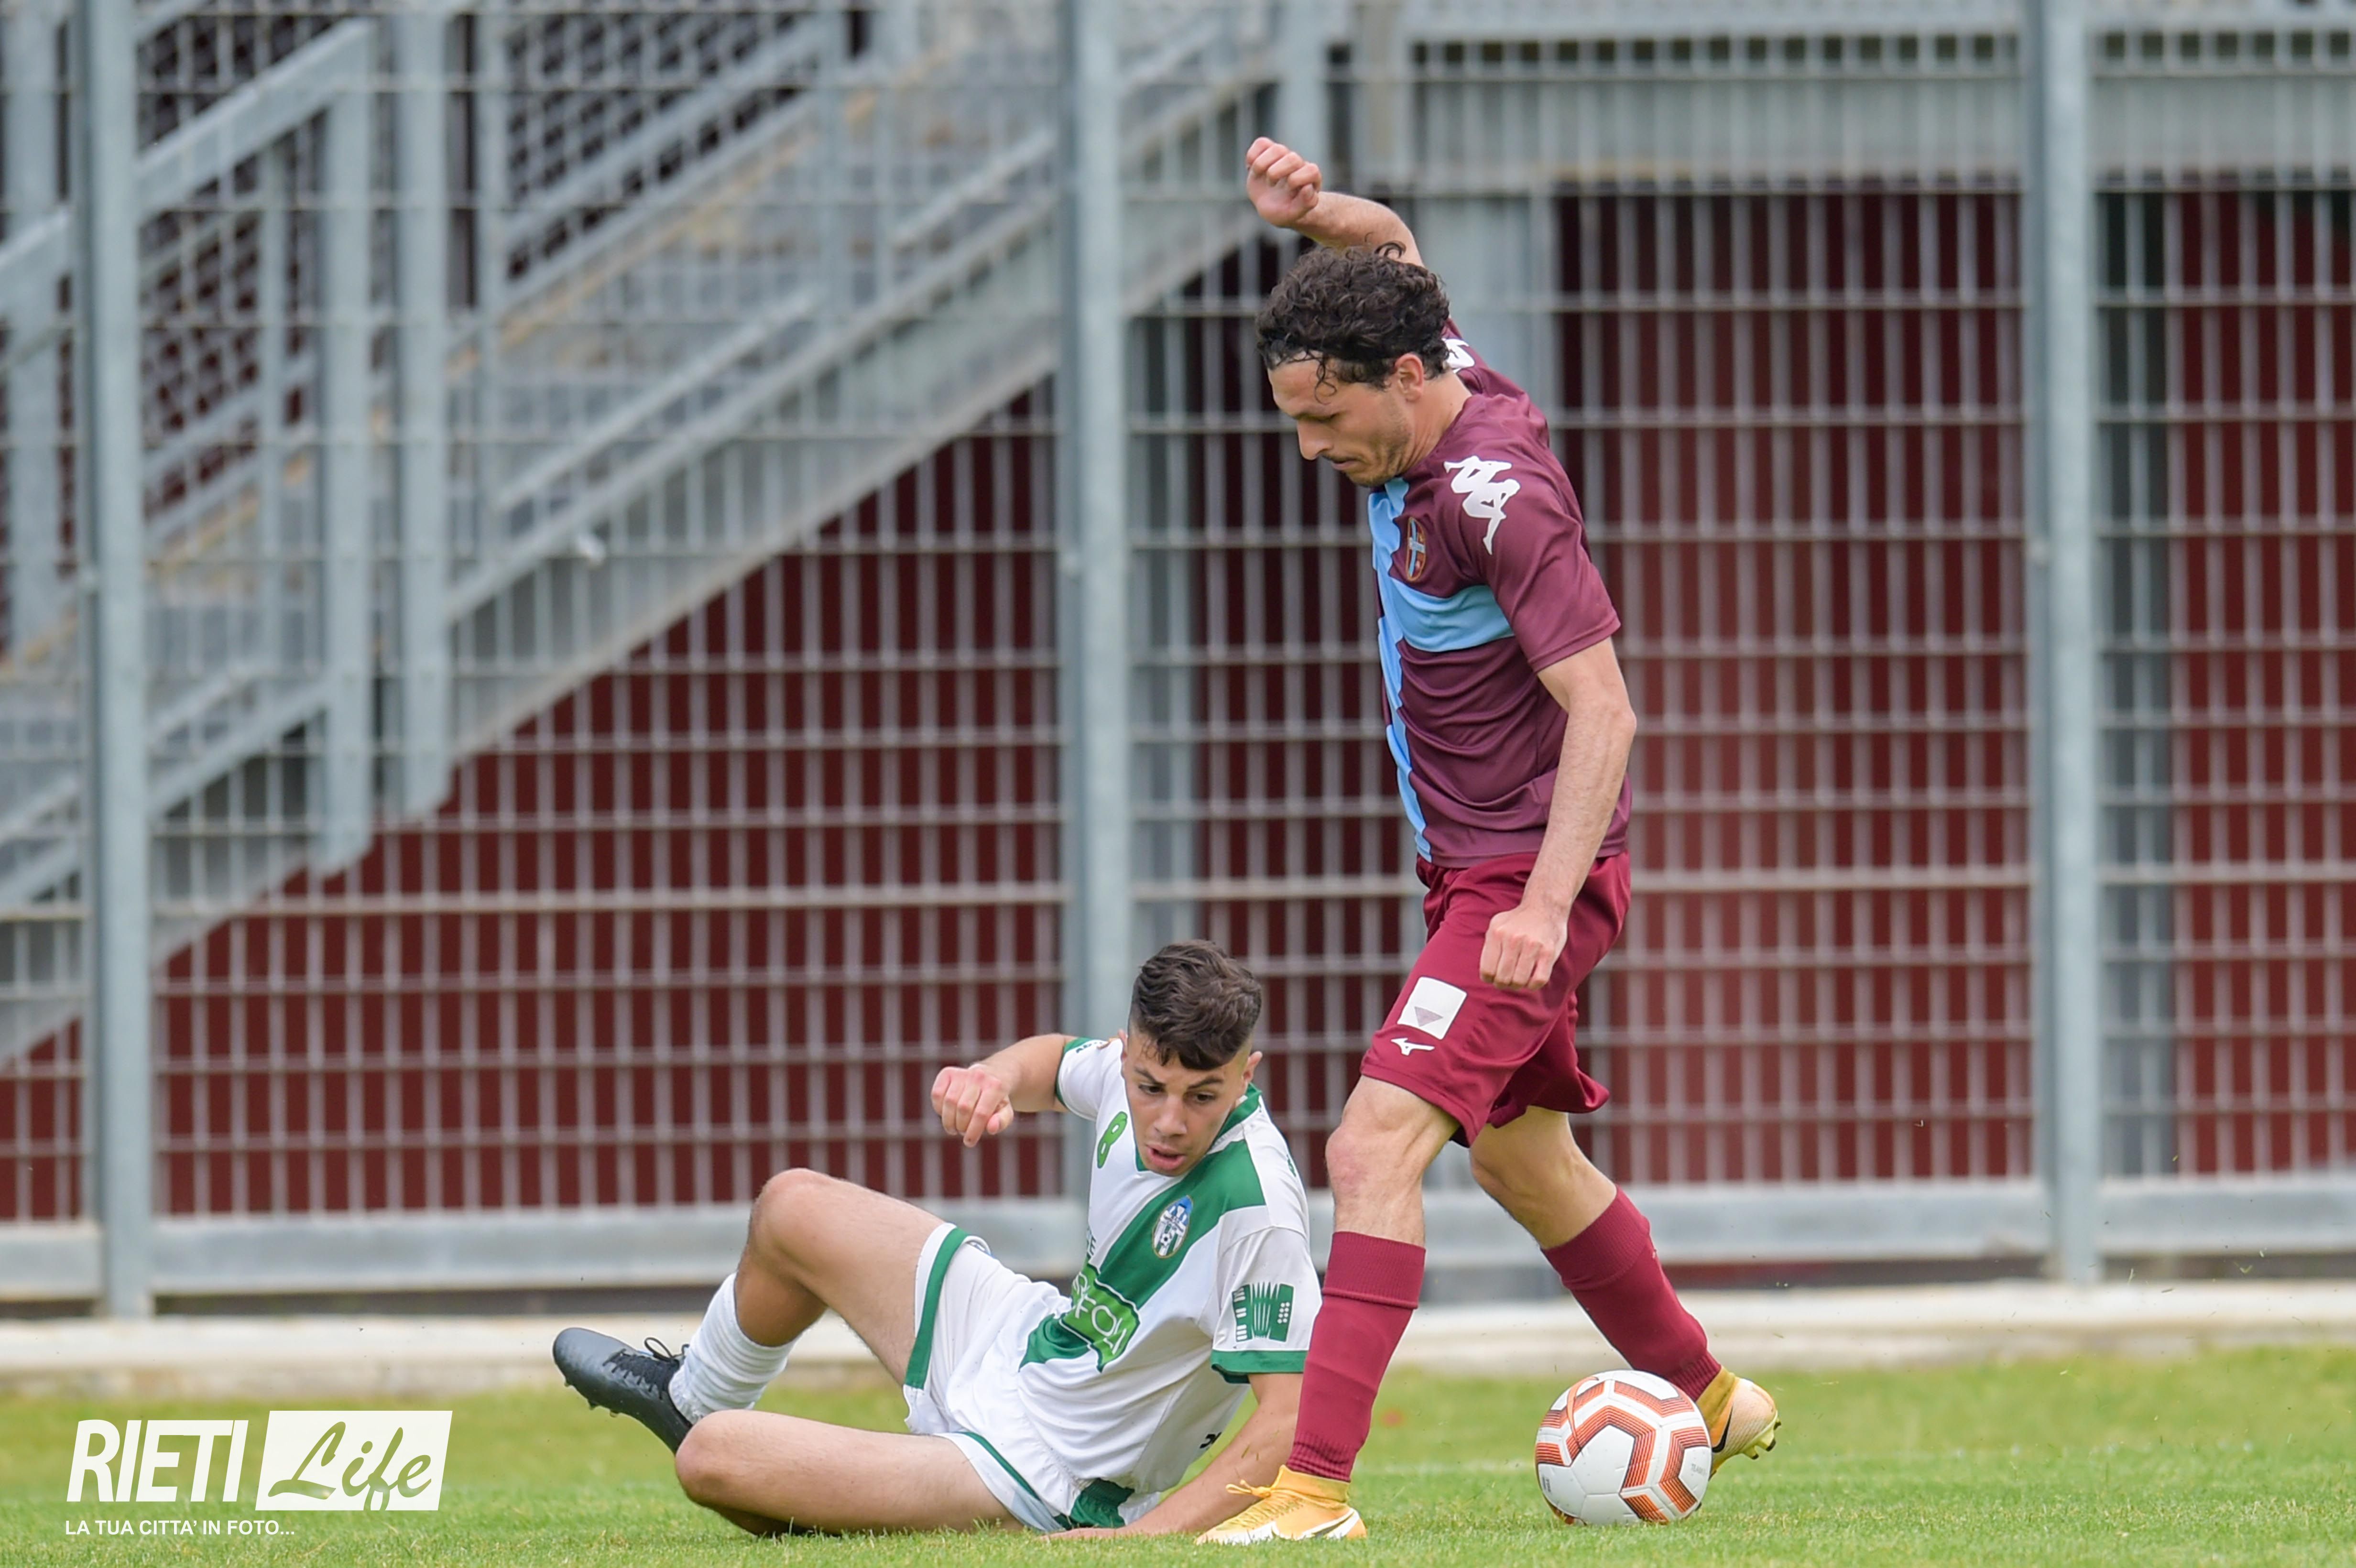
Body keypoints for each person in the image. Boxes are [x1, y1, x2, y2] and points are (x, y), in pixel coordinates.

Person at [1200, 139, 1780, 1545]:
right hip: (1477, 871)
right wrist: (1318, 214)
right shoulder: (1426, 358)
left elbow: (1607, 713)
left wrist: (1540, 905)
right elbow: (1390, 243)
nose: (1310, 448)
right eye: (1292, 418)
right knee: (1525, 1162)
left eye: (1325, 418)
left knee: (1371, 1147)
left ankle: (1313, 1490)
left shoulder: (1495, 496)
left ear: (1408, 379)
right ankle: (1711, 1400)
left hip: (1525, 880)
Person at [551, 939, 1318, 1538]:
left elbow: (1287, 1420)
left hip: (1050, 1473)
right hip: (1025, 1341)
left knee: (714, 1459)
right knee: (792, 1207)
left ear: (1246, 1075)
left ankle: (857, 1489)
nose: (1171, 1120)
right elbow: (1055, 1062)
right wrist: (992, 1077)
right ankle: (693, 1396)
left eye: (1203, 1096)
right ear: (1128, 1054)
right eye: (1151, 1088)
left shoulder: (1258, 1208)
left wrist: (1142, 1540)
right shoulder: (1125, 1076)